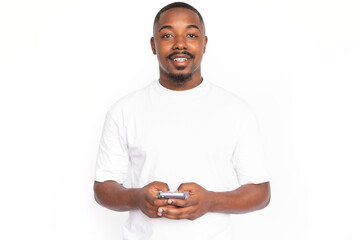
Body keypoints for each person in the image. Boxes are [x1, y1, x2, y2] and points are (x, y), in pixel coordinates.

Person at [94, 2, 271, 239]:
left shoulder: (235, 110)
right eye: (167, 35)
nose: (179, 44)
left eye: (191, 34)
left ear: (204, 43)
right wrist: (137, 198)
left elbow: (261, 192)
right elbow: (103, 188)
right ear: (153, 45)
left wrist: (211, 201)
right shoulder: (124, 110)